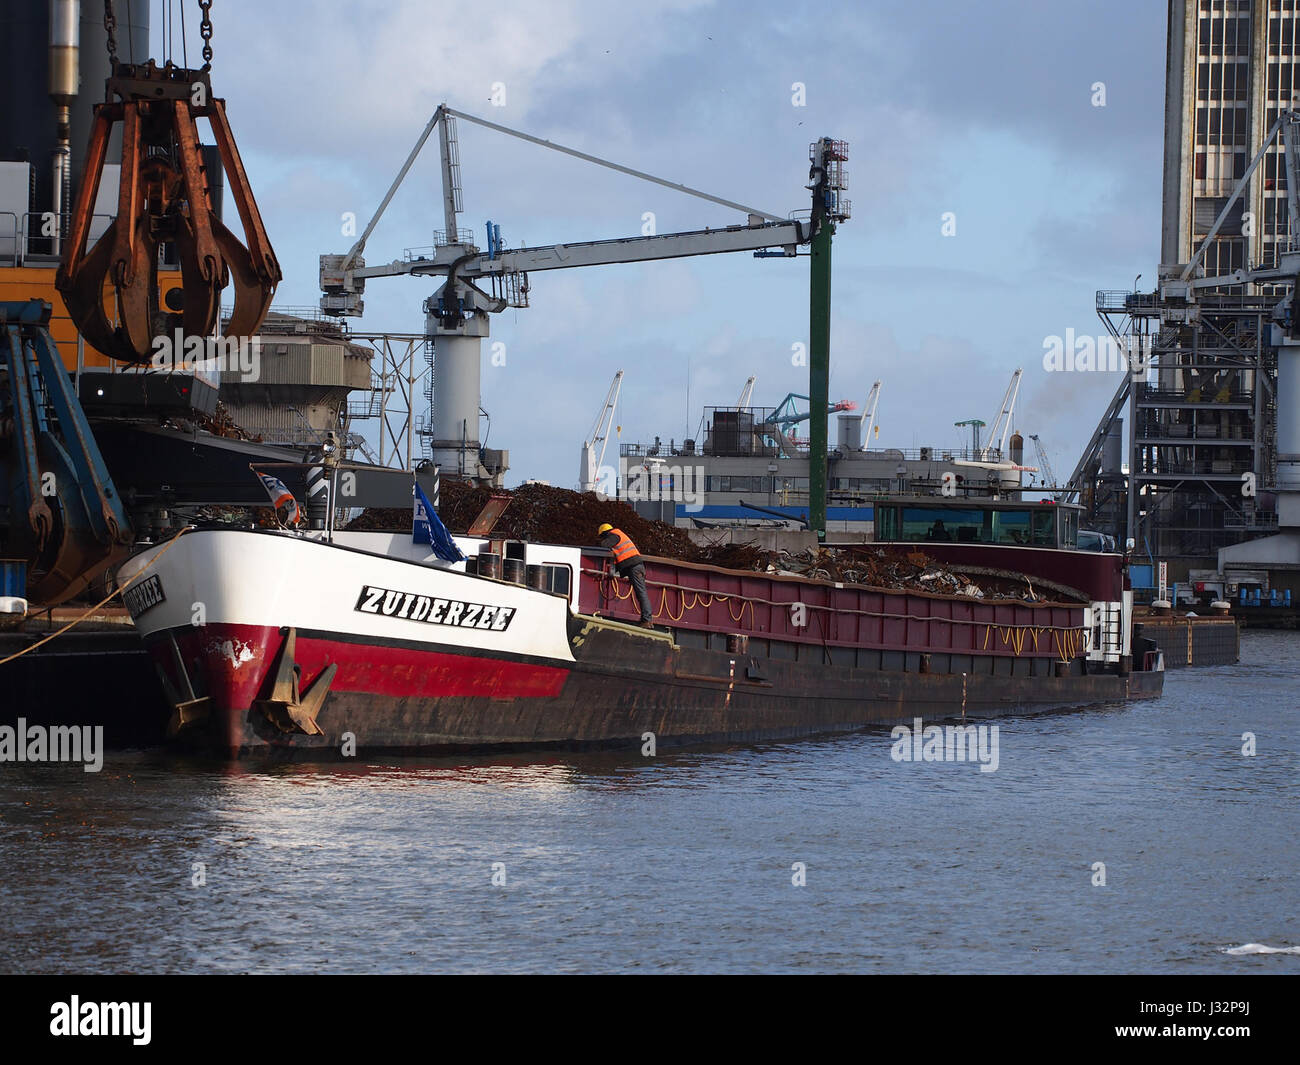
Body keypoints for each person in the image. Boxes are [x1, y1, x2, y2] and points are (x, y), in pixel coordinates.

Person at [597, 523, 655, 627]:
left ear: (605, 533)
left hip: (635, 567)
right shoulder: (619, 534)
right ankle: (646, 620)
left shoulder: (614, 535)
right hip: (636, 566)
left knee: (641, 593)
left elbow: (604, 545)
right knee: (641, 593)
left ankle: (647, 620)